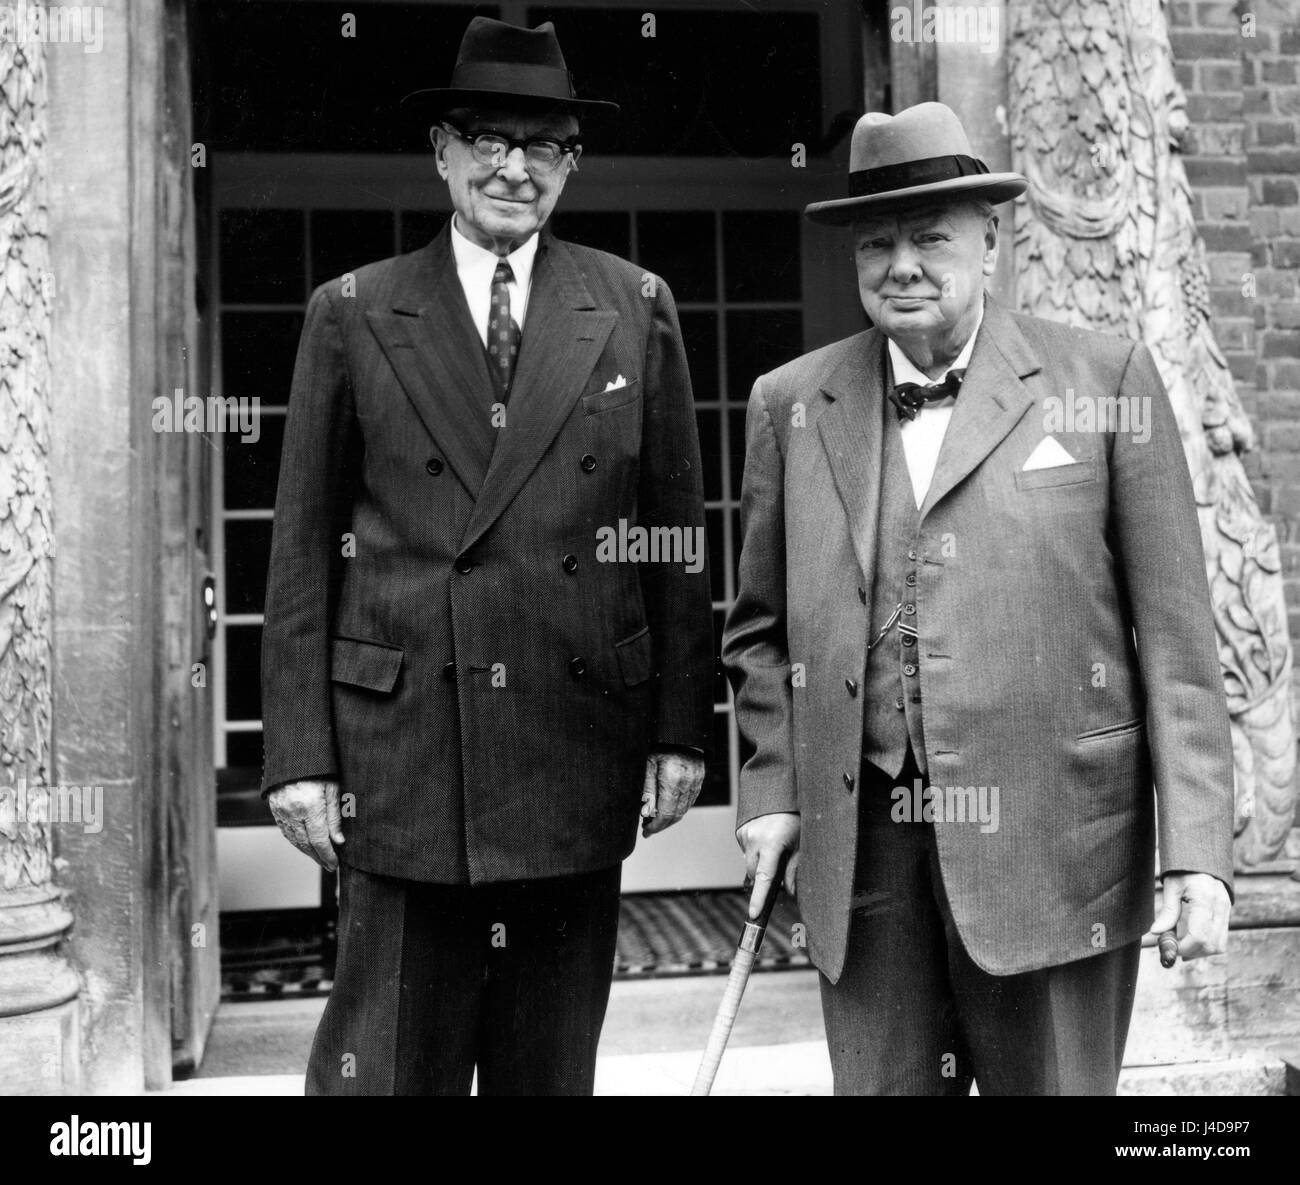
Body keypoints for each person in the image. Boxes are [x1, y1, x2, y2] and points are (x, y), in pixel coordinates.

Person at [722, 102, 1233, 1096]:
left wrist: (1200, 855)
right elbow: (757, 629)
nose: (900, 263)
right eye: (877, 242)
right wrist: (771, 787)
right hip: (861, 853)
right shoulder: (789, 402)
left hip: (1056, 851)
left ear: (989, 240)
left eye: (928, 236)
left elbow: (1174, 638)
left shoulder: (1104, 379)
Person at [260, 16, 713, 1096]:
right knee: (391, 1072)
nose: (514, 167)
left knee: (546, 1074)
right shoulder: (356, 311)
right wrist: (299, 756)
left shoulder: (633, 306)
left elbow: (673, 540)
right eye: (486, 140)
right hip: (405, 759)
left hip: (574, 744)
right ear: (442, 154)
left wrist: (679, 730)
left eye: (543, 145)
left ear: (570, 165)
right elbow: (298, 556)